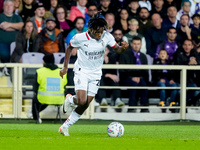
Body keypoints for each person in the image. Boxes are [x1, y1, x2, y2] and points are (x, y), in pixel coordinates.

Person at [58, 13, 129, 136]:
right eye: (97, 32)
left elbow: (116, 48)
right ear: (91, 29)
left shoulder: (106, 36)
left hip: (96, 73)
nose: (99, 34)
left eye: (101, 32)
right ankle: (70, 98)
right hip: (82, 71)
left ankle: (65, 126)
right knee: (81, 101)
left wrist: (122, 48)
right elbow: (69, 48)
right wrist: (65, 67)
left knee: (85, 104)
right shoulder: (79, 37)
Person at [32, 54, 67, 123]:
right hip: (59, 99)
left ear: (44, 62)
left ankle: (36, 117)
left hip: (43, 98)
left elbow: (35, 88)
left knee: (35, 100)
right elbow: (64, 87)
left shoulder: (40, 71)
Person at [119, 36, 149, 113]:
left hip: (140, 78)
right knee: (134, 84)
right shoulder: (124, 54)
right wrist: (132, 77)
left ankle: (144, 107)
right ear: (131, 44)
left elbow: (145, 71)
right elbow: (121, 70)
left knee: (144, 85)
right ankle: (131, 107)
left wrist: (139, 77)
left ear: (141, 45)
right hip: (126, 78)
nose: (136, 46)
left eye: (138, 44)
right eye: (134, 44)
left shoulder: (143, 56)